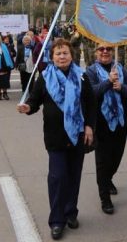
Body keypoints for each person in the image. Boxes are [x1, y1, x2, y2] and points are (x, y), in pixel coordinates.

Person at [17, 38, 96, 240]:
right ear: (52, 57)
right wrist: (28, 108)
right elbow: (34, 101)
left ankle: (71, 212)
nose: (62, 56)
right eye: (58, 53)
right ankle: (57, 220)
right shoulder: (44, 77)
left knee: (73, 176)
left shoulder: (82, 77)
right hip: (55, 137)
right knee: (58, 177)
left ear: (71, 55)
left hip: (77, 135)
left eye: (65, 53)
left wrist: (89, 126)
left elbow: (90, 103)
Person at [86, 44, 127, 215]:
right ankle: (105, 198)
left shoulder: (120, 68)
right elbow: (91, 93)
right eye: (101, 49)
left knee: (115, 159)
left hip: (121, 123)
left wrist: (121, 87)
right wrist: (108, 82)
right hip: (101, 124)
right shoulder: (91, 71)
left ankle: (107, 180)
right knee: (103, 162)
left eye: (108, 48)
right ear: (96, 52)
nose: (105, 51)